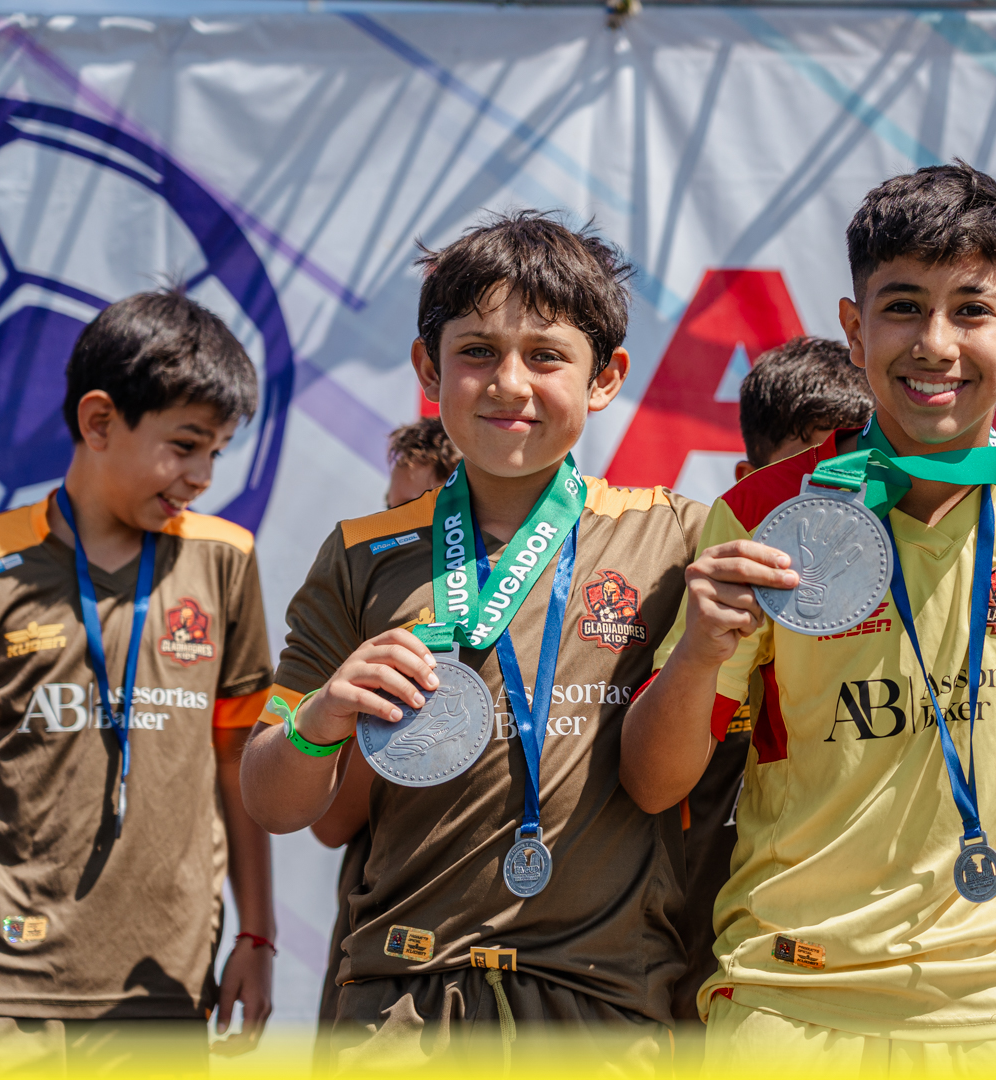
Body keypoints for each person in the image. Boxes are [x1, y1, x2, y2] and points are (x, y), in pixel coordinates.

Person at [622, 162, 996, 1073]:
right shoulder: (765, 515)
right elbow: (652, 784)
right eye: (904, 307)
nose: (936, 344)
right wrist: (699, 656)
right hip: (788, 996)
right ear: (854, 327)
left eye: (972, 310)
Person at [240, 212, 710, 1072]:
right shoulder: (362, 553)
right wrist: (324, 715)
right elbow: (271, 800)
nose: (509, 384)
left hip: (601, 1007)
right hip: (401, 1006)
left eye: (546, 356)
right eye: (478, 352)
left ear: (606, 378)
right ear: (429, 370)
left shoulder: (675, 537)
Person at [679, 336, 996, 1030]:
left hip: (984, 995)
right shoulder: (723, 557)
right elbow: (654, 780)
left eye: (857, 463)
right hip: (769, 976)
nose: (841, 505)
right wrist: (697, 653)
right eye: (818, 471)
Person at [0, 292, 275, 1070]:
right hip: (0, 984)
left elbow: (239, 760)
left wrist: (257, 934)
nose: (202, 476)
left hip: (162, 983)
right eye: (185, 445)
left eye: (218, 452)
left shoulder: (225, 560)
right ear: (99, 421)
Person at [312, 417, 462, 1039]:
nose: (395, 528)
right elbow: (329, 824)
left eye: (415, 509)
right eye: (390, 508)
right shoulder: (370, 615)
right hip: (379, 951)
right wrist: (378, 716)